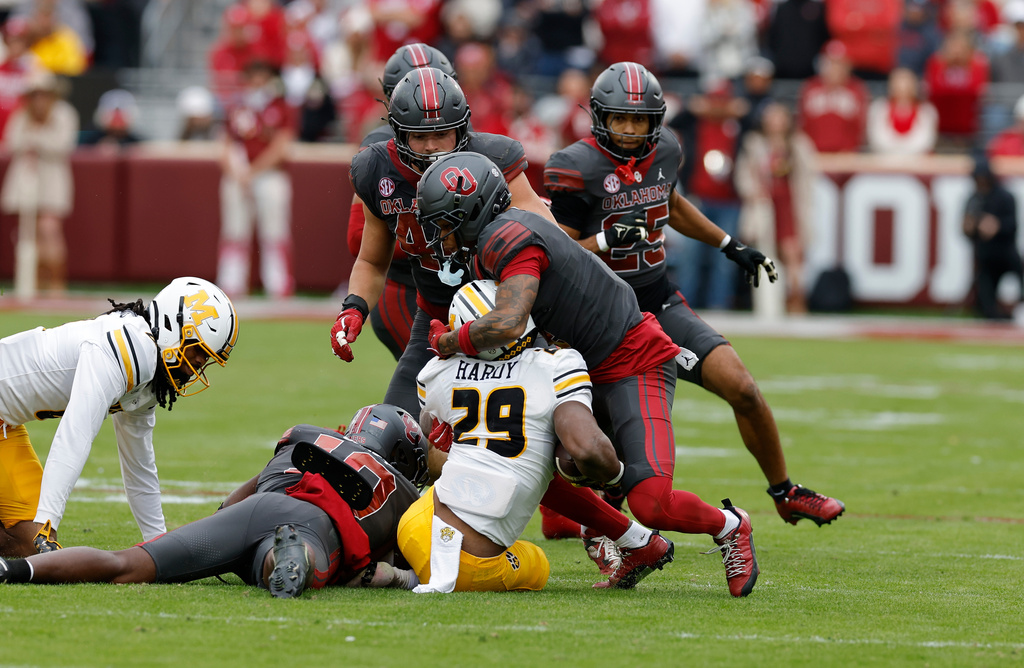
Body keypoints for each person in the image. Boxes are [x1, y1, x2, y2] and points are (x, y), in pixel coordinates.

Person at [416, 151, 761, 597]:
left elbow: (507, 323)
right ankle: (630, 541)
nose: (439, 236)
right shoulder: (505, 232)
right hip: (583, 361)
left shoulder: (506, 237)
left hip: (633, 359)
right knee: (520, 454)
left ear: (472, 213)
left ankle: (729, 525)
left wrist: (448, 342)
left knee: (651, 501)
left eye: (445, 223)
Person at [542, 62, 844, 527]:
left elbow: (669, 203)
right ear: (600, 117)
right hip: (598, 319)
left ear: (655, 121)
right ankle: (591, 519)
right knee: (590, 446)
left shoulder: (665, 150)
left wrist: (729, 244)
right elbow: (554, 254)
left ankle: (786, 492)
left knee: (742, 386)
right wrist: (605, 240)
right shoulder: (574, 166)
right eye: (619, 118)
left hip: (658, 299)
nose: (627, 129)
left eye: (638, 120)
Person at [0, 408, 426, 599]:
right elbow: (412, 564)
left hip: (257, 510)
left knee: (125, 564)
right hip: (313, 524)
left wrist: (218, 530)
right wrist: (394, 575)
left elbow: (241, 498)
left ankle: (13, 571)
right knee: (306, 556)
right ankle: (294, 556)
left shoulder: (307, 436)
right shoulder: (404, 492)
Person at [329, 66, 556, 416]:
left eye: (442, 134)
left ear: (462, 129)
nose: (431, 146)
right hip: (436, 316)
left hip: (511, 314)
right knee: (393, 429)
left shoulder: (494, 159)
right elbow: (373, 261)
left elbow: (550, 239)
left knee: (547, 431)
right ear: (398, 134)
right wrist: (354, 308)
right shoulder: (378, 170)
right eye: (419, 136)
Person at [399, 279, 649, 593]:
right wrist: (617, 479)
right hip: (471, 567)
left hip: (416, 525)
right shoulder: (557, 364)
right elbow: (587, 449)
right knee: (537, 560)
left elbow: (428, 424)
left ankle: (398, 572)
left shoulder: (435, 373)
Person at [0, 277, 238, 559]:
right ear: (174, 326)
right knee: (39, 533)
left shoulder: (149, 372)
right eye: (197, 350)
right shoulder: (126, 348)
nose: (198, 364)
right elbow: (75, 433)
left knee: (28, 544)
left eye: (206, 358)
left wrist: (159, 545)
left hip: (5, 425)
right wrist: (47, 520)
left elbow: (139, 467)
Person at [345, 43, 457, 361]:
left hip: (459, 290)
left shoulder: (467, 139)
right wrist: (432, 241)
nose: (427, 104)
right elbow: (359, 240)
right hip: (405, 287)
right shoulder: (379, 155)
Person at [217, 58, 297, 300]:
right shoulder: (236, 108)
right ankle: (230, 285)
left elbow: (282, 146)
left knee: (275, 233)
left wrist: (254, 171)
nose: (258, 82)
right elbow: (225, 144)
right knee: (234, 231)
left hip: (270, 176)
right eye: (253, 77)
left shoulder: (281, 106)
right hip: (238, 175)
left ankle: (279, 286)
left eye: (262, 76)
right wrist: (237, 172)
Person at [0, 68, 78, 295]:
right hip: (25, 177)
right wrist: (35, 139)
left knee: (49, 227)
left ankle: (55, 282)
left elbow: (62, 144)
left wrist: (35, 139)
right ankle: (33, 282)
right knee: (28, 231)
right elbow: (11, 142)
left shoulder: (64, 113)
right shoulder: (21, 114)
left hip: (52, 178)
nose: (39, 99)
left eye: (43, 93)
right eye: (34, 94)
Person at [735, 102, 818, 314]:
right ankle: (769, 304)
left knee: (793, 253)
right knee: (765, 253)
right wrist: (752, 190)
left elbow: (808, 175)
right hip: (765, 207)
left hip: (790, 205)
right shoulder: (754, 144)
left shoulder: (798, 144)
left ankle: (796, 298)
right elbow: (744, 173)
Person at [962, 159, 1023, 320]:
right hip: (985, 258)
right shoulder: (973, 199)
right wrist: (969, 228)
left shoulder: (1005, 196)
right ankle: (1001, 318)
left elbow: (1013, 225)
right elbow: (966, 230)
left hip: (1006, 253)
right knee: (986, 307)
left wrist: (997, 225)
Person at [796, 40, 868, 153]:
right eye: (830, 63)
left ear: (848, 66)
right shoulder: (810, 87)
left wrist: (852, 150)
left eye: (839, 63)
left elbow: (861, 126)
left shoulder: (857, 89)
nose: (834, 68)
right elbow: (802, 124)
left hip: (847, 156)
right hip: (813, 155)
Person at [866, 67, 938, 156]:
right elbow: (877, 141)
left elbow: (926, 143)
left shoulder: (927, 111)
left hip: (917, 165)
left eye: (907, 82)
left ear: (915, 85)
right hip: (884, 164)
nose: (903, 86)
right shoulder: (878, 108)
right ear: (890, 85)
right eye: (898, 81)